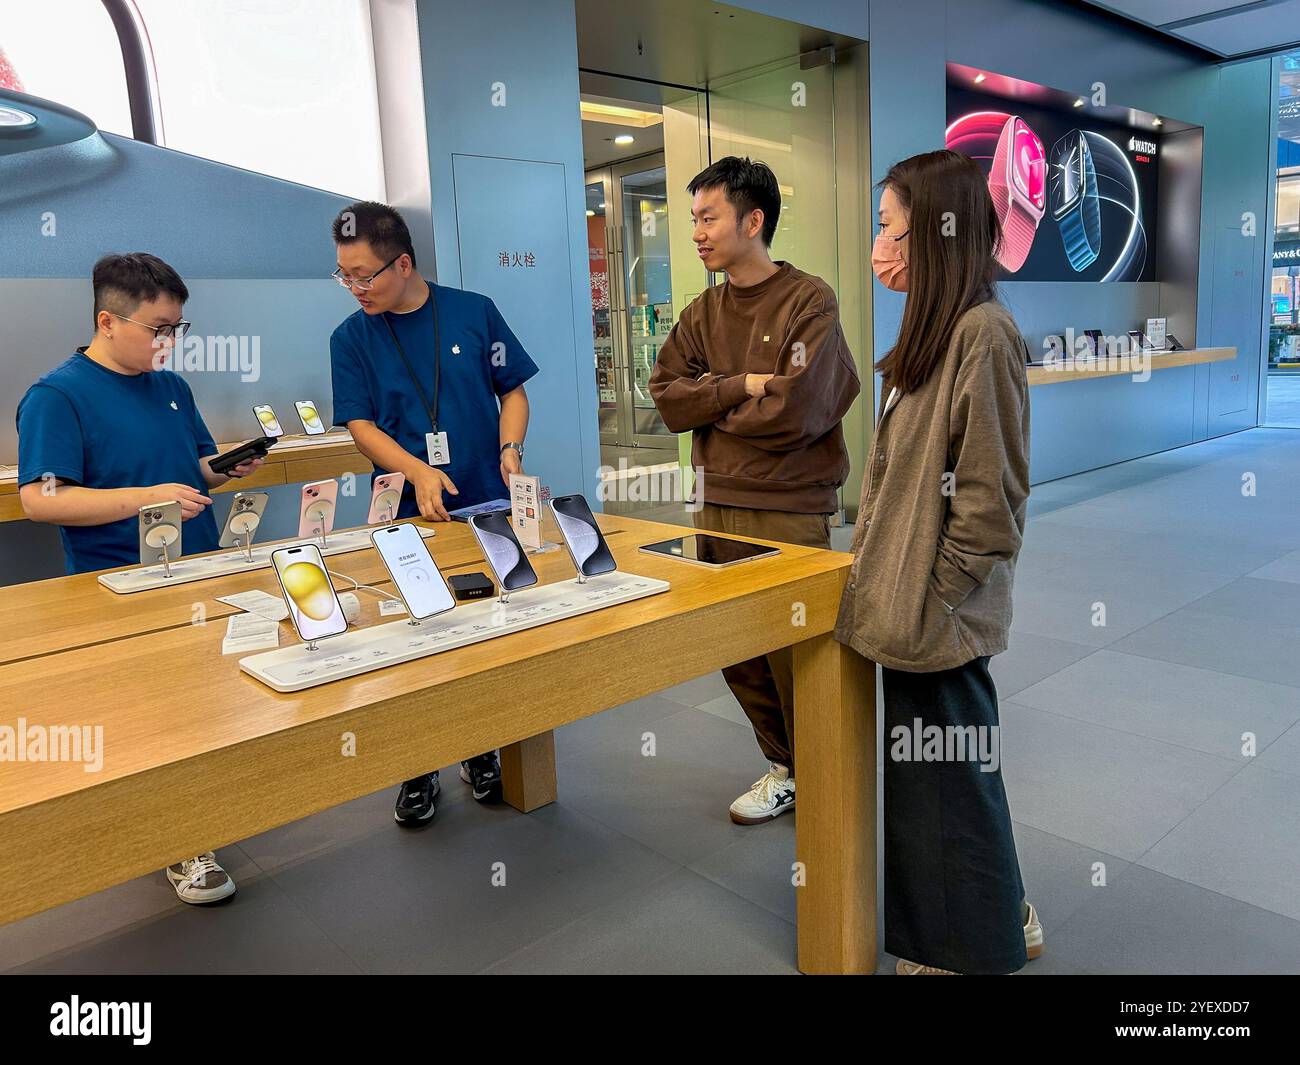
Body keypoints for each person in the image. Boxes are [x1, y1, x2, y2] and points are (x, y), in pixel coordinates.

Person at [835, 150, 1041, 975]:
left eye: (889, 227)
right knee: (943, 783)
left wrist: (937, 593)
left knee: (951, 789)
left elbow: (992, 504)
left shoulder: (983, 334)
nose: (879, 245)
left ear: (937, 232)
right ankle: (1005, 914)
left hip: (937, 616)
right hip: (905, 608)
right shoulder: (934, 331)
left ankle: (967, 951)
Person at [16, 251, 263, 905]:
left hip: (200, 572)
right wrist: (142, 496)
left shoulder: (171, 387)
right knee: (155, 723)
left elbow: (194, 466)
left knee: (202, 709)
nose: (169, 342)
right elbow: (40, 500)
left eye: (177, 329)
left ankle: (194, 819)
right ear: (107, 320)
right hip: (118, 589)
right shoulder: (56, 395)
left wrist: (224, 467)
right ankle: (179, 840)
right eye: (158, 329)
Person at [648, 157, 860, 825]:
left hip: (789, 510)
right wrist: (741, 384)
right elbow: (667, 398)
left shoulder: (809, 300)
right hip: (716, 505)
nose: (698, 233)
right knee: (738, 653)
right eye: (694, 220)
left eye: (708, 218)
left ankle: (829, 775)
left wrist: (713, 401)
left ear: (753, 219)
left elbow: (798, 412)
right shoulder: (702, 310)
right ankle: (789, 765)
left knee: (796, 653)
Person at [328, 201, 538, 822]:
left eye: (364, 274)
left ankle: (480, 748)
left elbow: (514, 391)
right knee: (413, 640)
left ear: (404, 263)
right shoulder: (351, 337)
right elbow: (360, 424)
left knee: (487, 636)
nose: (355, 288)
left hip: (488, 502)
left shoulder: (474, 312)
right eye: (344, 274)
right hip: (407, 516)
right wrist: (417, 470)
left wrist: (510, 448)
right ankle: (416, 767)